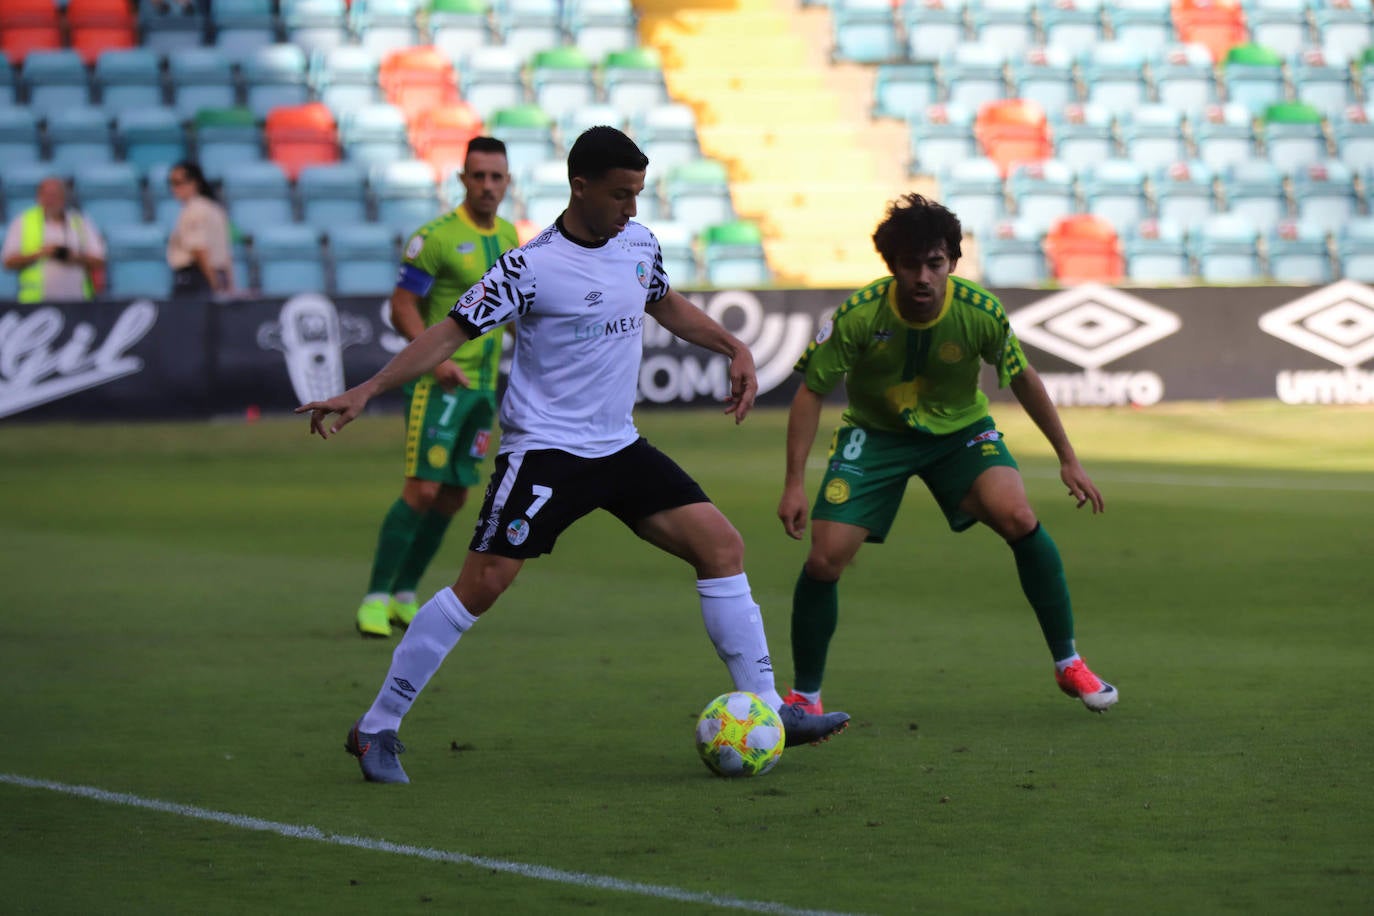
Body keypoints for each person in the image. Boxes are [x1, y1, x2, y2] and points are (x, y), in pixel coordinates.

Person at [299, 126, 850, 783]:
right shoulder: (531, 268)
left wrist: (733, 347)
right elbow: (447, 333)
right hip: (545, 452)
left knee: (722, 545)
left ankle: (767, 707)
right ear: (579, 187)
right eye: (620, 195)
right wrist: (366, 390)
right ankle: (377, 726)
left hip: (617, 446)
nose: (632, 209)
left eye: (639, 194)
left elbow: (665, 302)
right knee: (482, 587)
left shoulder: (639, 243)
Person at [776, 193, 1118, 716]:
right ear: (892, 267)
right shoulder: (858, 315)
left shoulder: (979, 312)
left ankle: (1068, 663)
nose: (922, 277)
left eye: (934, 264)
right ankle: (806, 696)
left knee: (1019, 515)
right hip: (876, 436)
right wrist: (794, 482)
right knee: (824, 559)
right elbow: (811, 392)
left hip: (961, 434)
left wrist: (1067, 457)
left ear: (953, 263)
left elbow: (1023, 378)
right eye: (910, 265)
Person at [354, 137, 520, 639]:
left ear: (507, 182)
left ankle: (406, 592)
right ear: (463, 180)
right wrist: (436, 359)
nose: (488, 186)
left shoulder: (512, 236)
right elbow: (401, 306)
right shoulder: (437, 238)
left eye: (496, 177)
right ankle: (375, 597)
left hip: (483, 389)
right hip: (439, 384)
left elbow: (512, 309)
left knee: (452, 496)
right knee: (422, 488)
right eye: (479, 176)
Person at [1, 176, 106, 303]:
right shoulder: (23, 222)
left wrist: (74, 257)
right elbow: (8, 262)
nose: (50, 200)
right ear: (38, 197)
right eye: (47, 195)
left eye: (55, 195)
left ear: (64, 198)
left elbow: (99, 260)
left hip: (78, 303)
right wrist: (41, 253)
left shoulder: (80, 222)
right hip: (35, 304)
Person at [165, 161, 233, 301]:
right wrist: (229, 285)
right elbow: (225, 254)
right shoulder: (215, 209)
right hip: (218, 274)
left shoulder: (193, 210)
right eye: (171, 183)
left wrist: (213, 284)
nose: (174, 189)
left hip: (196, 278)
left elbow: (199, 249)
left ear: (194, 183)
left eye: (178, 183)